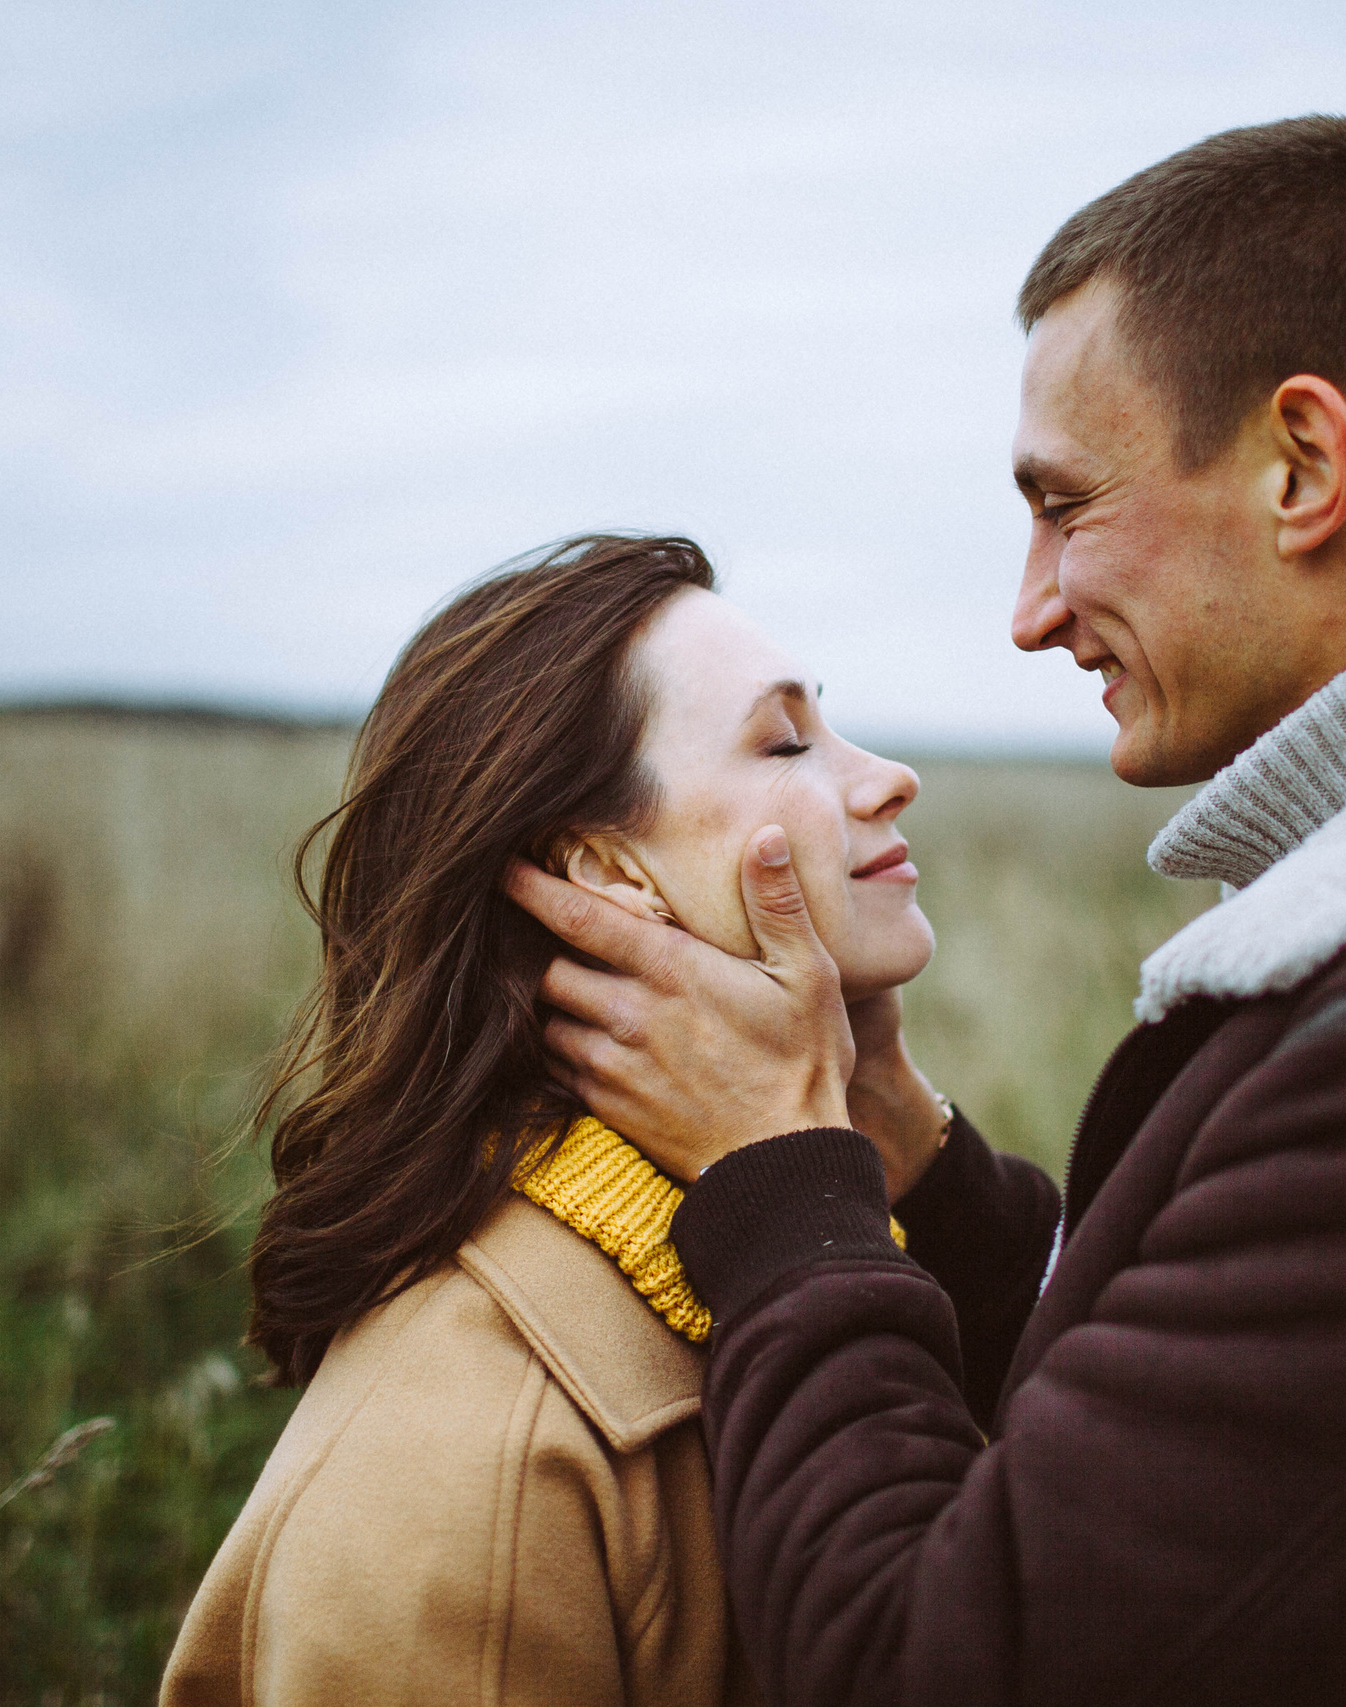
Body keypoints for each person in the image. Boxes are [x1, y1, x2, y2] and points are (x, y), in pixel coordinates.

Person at [507, 117, 1346, 1703]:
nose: (1031, 607)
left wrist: (786, 1186)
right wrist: (914, 1160)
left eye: (1066, 505)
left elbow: (925, 1666)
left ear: (1303, 468)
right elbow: (1202, 1461)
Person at [161, 533, 958, 1707]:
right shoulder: (470, 1470)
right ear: (604, 873)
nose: (889, 776)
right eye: (786, 741)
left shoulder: (827, 1228)